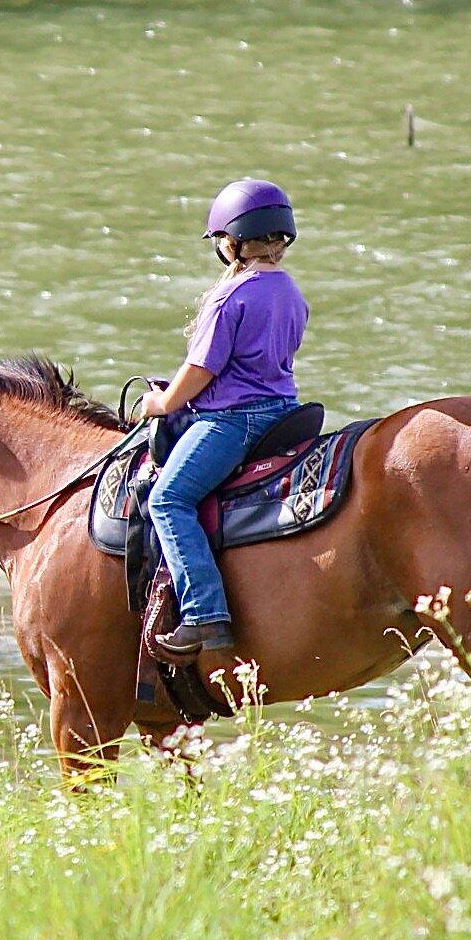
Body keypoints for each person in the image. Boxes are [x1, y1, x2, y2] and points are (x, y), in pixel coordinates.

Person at [136, 179, 309, 657]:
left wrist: (164, 403)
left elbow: (202, 368)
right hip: (282, 412)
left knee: (168, 500)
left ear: (232, 240)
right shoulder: (290, 291)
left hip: (234, 420)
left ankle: (204, 613)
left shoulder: (231, 296)